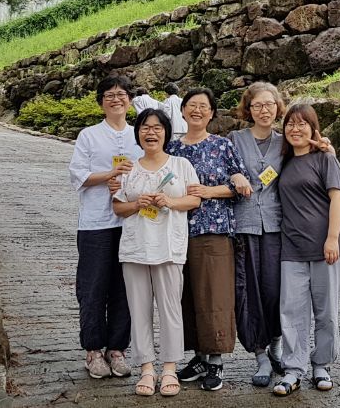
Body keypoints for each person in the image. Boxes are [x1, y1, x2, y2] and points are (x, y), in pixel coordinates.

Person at [112, 108, 202, 397]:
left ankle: (169, 369)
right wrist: (138, 204)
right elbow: (118, 208)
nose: (151, 132)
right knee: (138, 310)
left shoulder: (181, 164)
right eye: (145, 127)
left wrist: (169, 201)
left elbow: (194, 199)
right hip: (135, 247)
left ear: (166, 132)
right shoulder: (128, 168)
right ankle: (147, 369)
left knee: (170, 309)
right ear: (138, 133)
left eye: (157, 127)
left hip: (170, 247)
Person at [166, 88, 247, 391]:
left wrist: (209, 191)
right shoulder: (172, 148)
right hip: (175, 231)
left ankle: (215, 361)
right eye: (191, 106)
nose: (197, 111)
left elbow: (240, 184)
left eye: (204, 106)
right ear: (183, 110)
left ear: (212, 113)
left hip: (212, 229)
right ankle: (198, 356)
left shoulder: (222, 145)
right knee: (186, 296)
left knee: (215, 294)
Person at [67, 76, 140, 380]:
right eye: (109, 95)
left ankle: (118, 349)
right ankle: (93, 350)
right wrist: (109, 174)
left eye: (121, 94)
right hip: (96, 222)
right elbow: (78, 175)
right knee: (93, 286)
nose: (115, 99)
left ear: (130, 100)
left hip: (131, 221)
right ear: (100, 101)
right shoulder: (89, 135)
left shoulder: (140, 134)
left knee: (125, 287)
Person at [272, 104, 340, 396]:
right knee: (291, 311)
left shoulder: (325, 159)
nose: (295, 129)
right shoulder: (283, 162)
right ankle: (293, 370)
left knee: (326, 310)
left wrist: (331, 238)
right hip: (291, 247)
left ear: (314, 129)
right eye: (290, 123)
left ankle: (322, 365)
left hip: (325, 247)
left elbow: (337, 198)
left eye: (303, 124)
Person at [226, 83, 287, 387]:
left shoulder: (285, 141)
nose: (264, 111)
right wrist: (234, 175)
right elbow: (222, 170)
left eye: (269, 105)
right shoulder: (234, 140)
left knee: (276, 290)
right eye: (257, 106)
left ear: (278, 107)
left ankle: (276, 343)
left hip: (276, 226)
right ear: (247, 109)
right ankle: (260, 355)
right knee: (249, 291)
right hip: (245, 224)